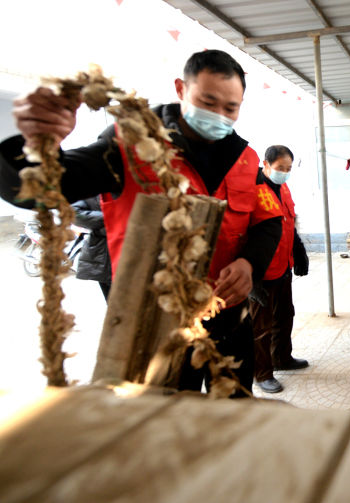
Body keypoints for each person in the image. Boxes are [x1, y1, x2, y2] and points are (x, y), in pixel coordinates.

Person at [0, 49, 283, 396]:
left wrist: (249, 263)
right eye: (208, 102)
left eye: (231, 108)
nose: (220, 116)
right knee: (165, 417)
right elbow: (42, 188)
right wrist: (35, 142)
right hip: (156, 320)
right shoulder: (130, 144)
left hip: (228, 309)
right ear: (181, 89)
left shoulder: (244, 157)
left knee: (236, 406)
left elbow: (268, 221)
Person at [248, 145, 309, 394]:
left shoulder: (283, 188)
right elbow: (240, 233)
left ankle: (282, 358)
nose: (284, 173)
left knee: (285, 316)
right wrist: (251, 277)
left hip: (282, 265)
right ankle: (261, 373)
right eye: (280, 168)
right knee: (259, 325)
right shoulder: (251, 189)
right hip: (260, 272)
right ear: (266, 164)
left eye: (288, 169)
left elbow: (289, 223)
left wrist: (299, 252)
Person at [71, 196, 112, 300]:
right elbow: (74, 213)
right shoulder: (90, 191)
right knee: (114, 303)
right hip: (104, 255)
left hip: (133, 252)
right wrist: (110, 217)